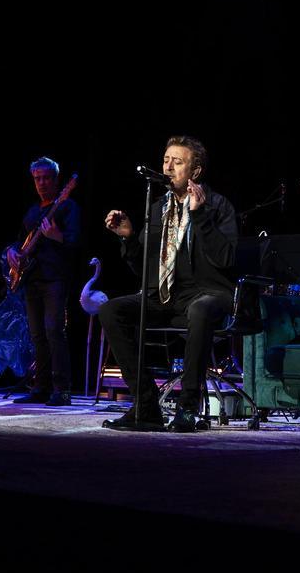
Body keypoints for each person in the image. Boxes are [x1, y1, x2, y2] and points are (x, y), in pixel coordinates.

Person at [100, 136, 237, 432]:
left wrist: (200, 217)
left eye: (178, 161)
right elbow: (145, 270)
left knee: (201, 310)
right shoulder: (159, 208)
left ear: (195, 171)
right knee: (111, 310)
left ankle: (188, 407)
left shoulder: (216, 206)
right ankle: (146, 405)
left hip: (208, 293)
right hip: (165, 297)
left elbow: (226, 259)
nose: (168, 167)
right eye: (165, 160)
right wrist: (127, 237)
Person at [6, 157, 80, 406]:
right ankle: (41, 387)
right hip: (32, 279)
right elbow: (19, 241)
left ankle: (63, 389)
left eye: (47, 177)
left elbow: (74, 244)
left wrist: (56, 236)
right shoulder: (32, 211)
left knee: (54, 332)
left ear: (57, 179)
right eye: (37, 178)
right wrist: (11, 252)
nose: (42, 183)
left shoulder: (68, 207)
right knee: (37, 335)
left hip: (55, 278)